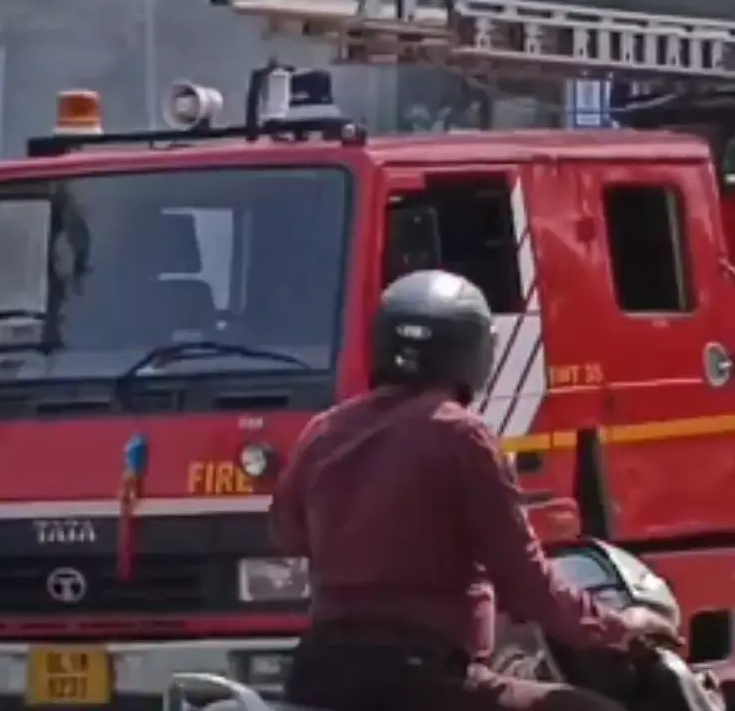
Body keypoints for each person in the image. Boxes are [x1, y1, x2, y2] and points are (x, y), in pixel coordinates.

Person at [271, 269, 681, 711]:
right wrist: (618, 630)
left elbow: (286, 533)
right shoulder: (461, 435)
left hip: (319, 673)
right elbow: (526, 581)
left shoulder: (324, 429)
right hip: (422, 679)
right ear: (474, 352)